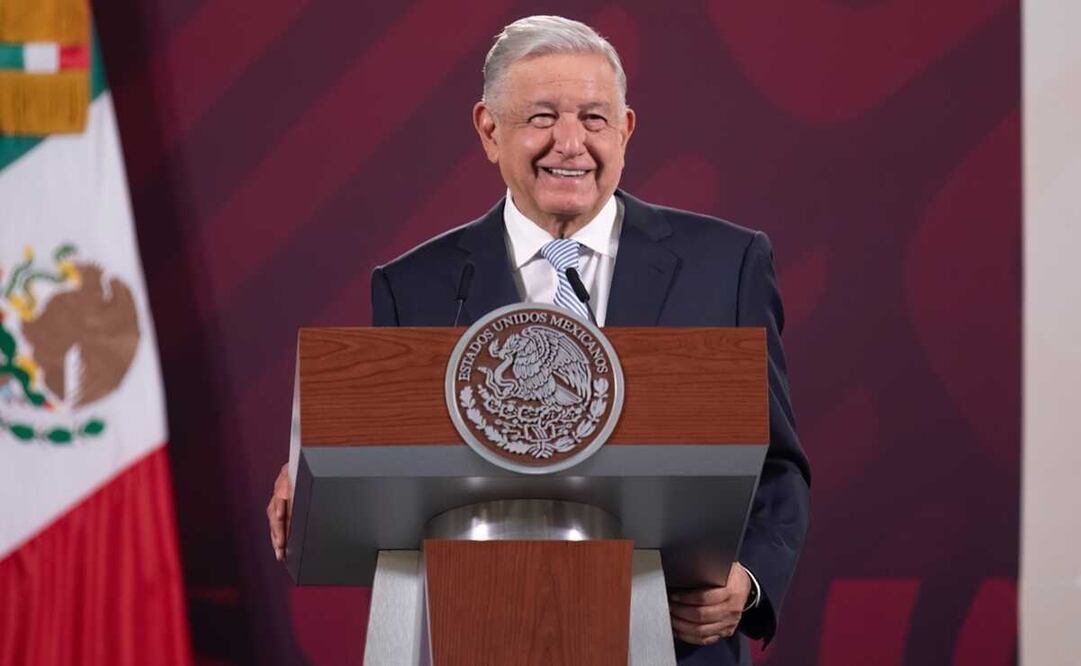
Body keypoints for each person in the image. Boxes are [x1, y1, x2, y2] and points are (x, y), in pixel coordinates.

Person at [267, 15, 810, 665]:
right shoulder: (415, 286)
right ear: (489, 131)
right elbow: (396, 455)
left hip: (672, 640)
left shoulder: (725, 264)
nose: (570, 143)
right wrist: (317, 469)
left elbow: (776, 463)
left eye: (593, 118)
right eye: (542, 117)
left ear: (625, 130)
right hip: (478, 633)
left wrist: (747, 580)